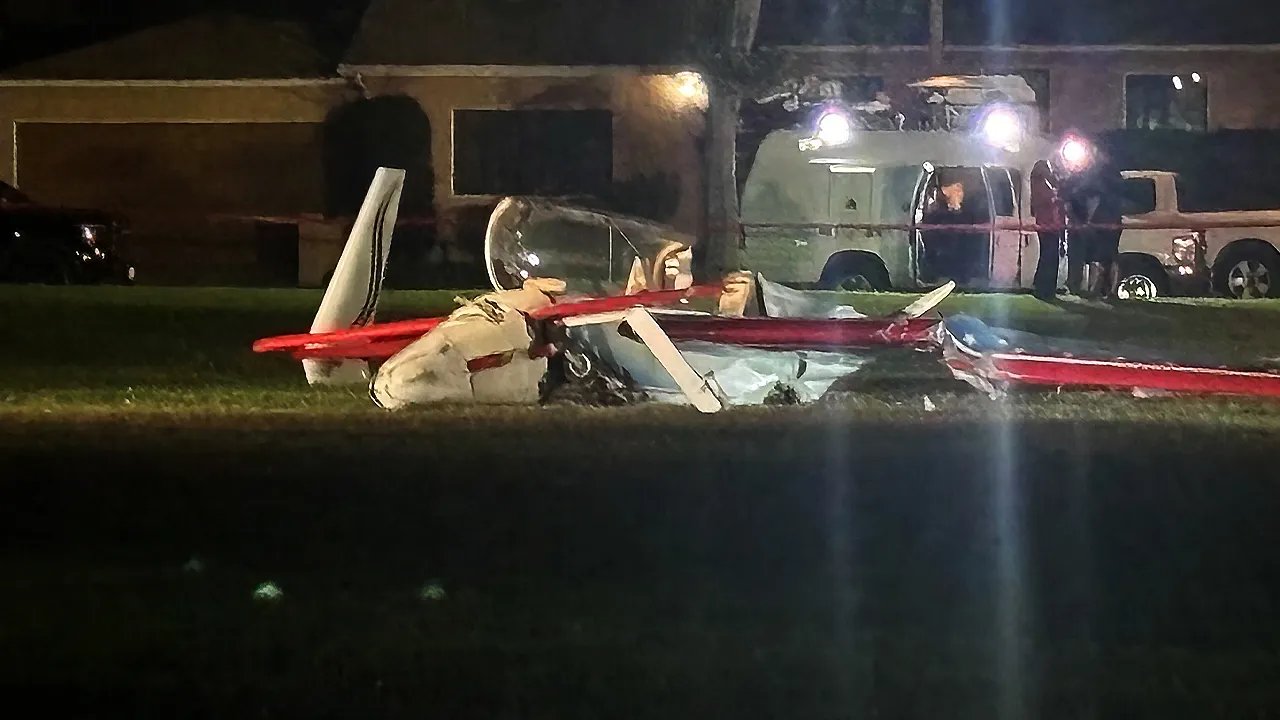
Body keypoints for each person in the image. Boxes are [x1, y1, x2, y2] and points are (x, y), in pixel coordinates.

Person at [1061, 154, 1123, 297]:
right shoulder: (1105, 189)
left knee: (1099, 259)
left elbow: (1075, 203)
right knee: (1103, 259)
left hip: (1096, 227)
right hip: (1096, 227)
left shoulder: (1095, 189)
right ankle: (1098, 289)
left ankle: (1094, 288)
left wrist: (1085, 222)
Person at [1029, 160, 1065, 300]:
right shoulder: (1040, 184)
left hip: (1048, 224)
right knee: (1049, 256)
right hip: (1048, 224)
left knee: (1047, 256)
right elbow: (1048, 200)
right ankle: (1045, 288)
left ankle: (1043, 286)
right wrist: (1056, 197)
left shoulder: (1040, 183)